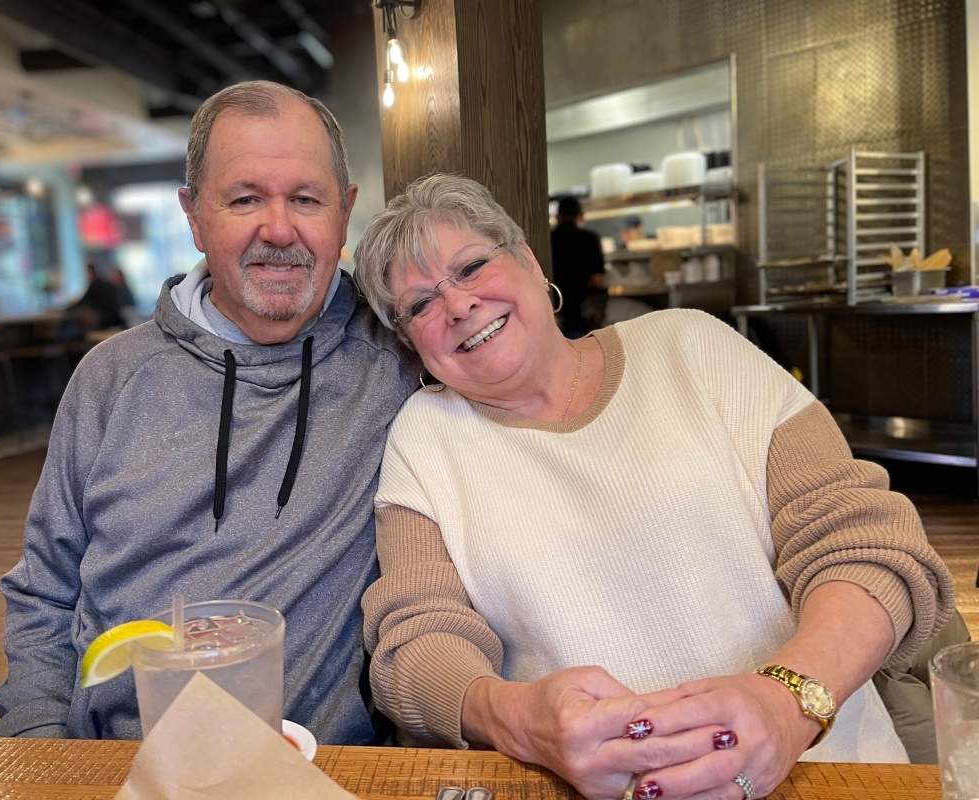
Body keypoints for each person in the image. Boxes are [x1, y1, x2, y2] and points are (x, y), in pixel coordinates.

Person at [352, 174, 954, 800]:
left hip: (822, 772)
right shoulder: (424, 439)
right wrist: (520, 720)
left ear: (529, 261)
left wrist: (786, 701)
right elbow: (417, 634)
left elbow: (866, 541)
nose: (457, 306)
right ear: (408, 341)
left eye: (472, 266)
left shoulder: (692, 345)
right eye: (420, 304)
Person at [0, 81, 417, 744]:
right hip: (115, 762)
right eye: (245, 199)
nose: (279, 229)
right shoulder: (109, 379)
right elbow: (43, 596)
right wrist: (37, 749)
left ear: (346, 211)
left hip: (321, 770)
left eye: (306, 199)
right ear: (194, 217)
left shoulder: (399, 362)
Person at [549, 194, 605, 336]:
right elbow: (597, 279)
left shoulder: (548, 238)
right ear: (580, 216)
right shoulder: (590, 238)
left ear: (557, 216)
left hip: (553, 307)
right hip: (581, 311)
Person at [68, 263, 126, 329]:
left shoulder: (96, 284)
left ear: (90, 272)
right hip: (115, 318)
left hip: (105, 320)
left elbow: (84, 301)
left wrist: (67, 309)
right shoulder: (104, 283)